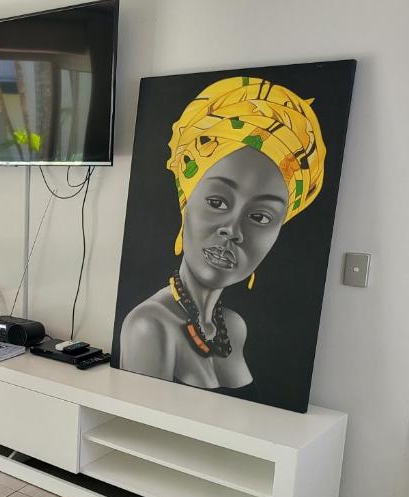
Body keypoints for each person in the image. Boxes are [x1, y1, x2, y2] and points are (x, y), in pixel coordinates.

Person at [120, 77, 326, 389]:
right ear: (186, 200)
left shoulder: (233, 327)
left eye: (259, 216)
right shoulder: (149, 327)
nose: (232, 230)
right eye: (217, 202)